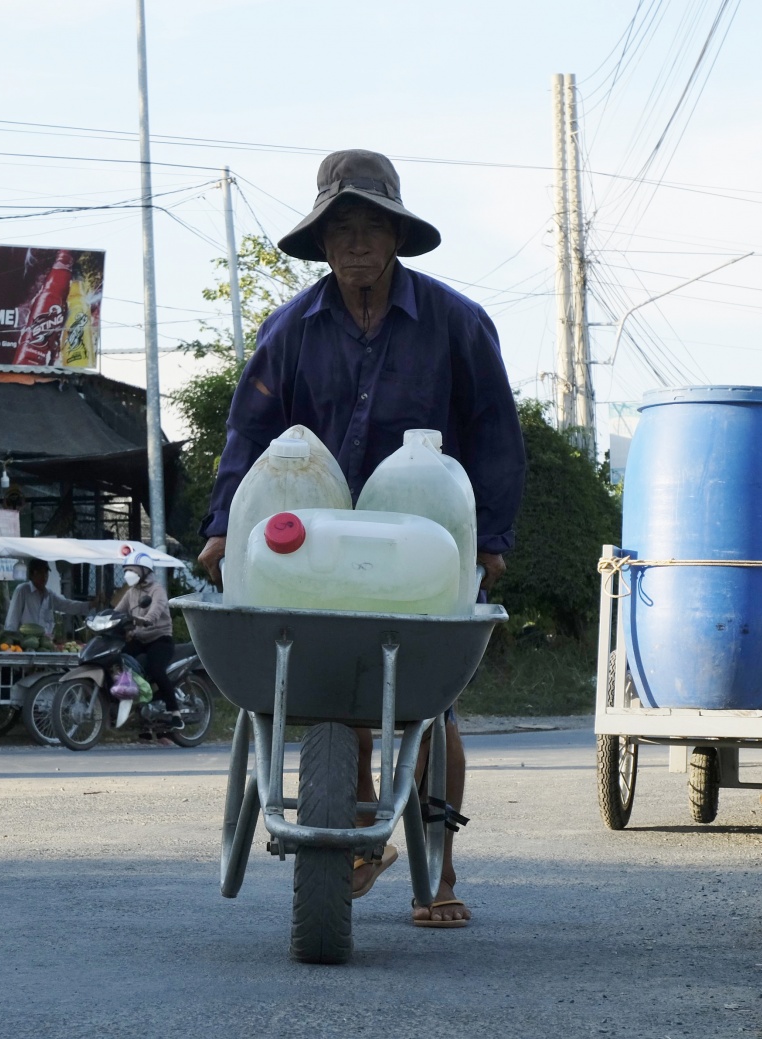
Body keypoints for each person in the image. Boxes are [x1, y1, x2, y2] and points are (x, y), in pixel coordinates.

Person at [197, 150, 526, 927]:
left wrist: (492, 540)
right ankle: (359, 811)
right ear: (323, 242)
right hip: (312, 547)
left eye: (370, 225)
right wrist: (220, 527)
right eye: (340, 227)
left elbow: (496, 435)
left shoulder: (456, 323)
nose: (355, 242)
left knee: (428, 702)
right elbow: (249, 432)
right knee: (330, 680)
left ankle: (438, 870)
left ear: (397, 236)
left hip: (422, 545)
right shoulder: (291, 330)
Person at [111, 552, 182, 746]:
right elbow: (116, 611)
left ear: (144, 571)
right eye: (125, 570)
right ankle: (141, 715)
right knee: (118, 659)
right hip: (139, 638)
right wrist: (104, 619)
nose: (128, 574)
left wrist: (144, 620)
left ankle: (174, 711)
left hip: (160, 639)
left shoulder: (157, 590)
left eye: (131, 570)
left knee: (156, 671)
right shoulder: (131, 591)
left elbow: (155, 612)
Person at [3, 559, 91, 637]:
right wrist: (11, 640)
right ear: (32, 574)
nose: (44, 576)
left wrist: (91, 605)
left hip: (45, 643)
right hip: (25, 643)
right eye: (40, 572)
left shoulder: (49, 594)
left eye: (46, 572)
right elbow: (12, 618)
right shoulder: (23, 590)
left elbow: (67, 605)